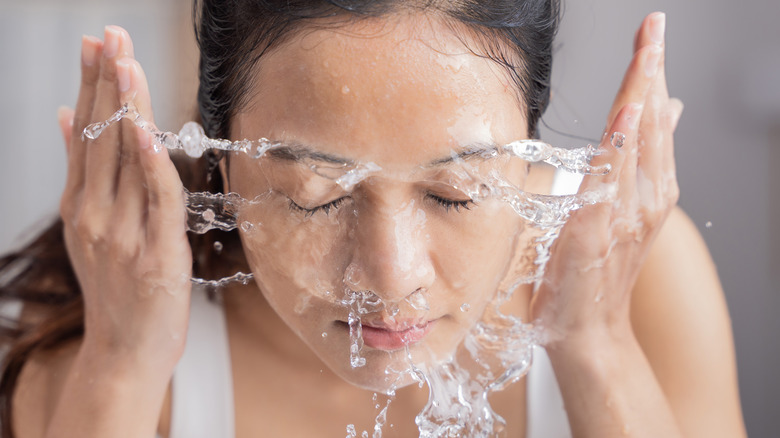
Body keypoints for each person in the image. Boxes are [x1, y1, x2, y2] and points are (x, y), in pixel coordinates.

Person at [0, 1, 747, 437]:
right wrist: (122, 364)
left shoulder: (641, 281)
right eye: (317, 196)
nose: (390, 276)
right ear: (223, 161)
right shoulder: (101, 369)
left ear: (527, 149)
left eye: (456, 193)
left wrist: (596, 345)